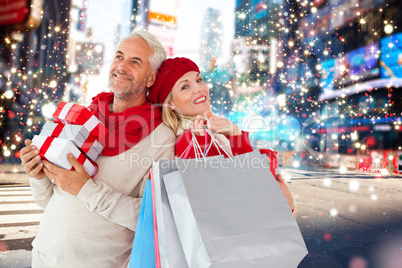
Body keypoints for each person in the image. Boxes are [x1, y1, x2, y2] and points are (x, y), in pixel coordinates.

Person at [19, 30, 176, 267]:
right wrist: (38, 176)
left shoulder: (161, 137)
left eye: (135, 62)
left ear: (151, 79)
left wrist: (86, 189)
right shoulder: (85, 115)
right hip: (44, 258)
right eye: (119, 56)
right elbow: (50, 202)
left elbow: (150, 218)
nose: (122, 66)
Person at [147, 57, 294, 211]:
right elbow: (237, 195)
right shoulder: (188, 141)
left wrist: (236, 135)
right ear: (169, 103)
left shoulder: (214, 130)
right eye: (185, 87)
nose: (198, 88)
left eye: (199, 80)